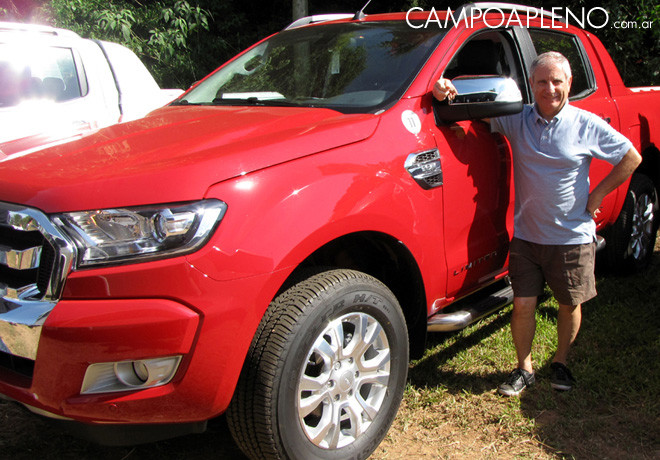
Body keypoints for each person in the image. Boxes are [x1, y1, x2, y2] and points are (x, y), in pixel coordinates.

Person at [433, 51, 642, 396]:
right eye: (542, 81)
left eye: (557, 81)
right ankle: (524, 368)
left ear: (569, 84)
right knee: (523, 304)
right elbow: (474, 110)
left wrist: (598, 196)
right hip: (527, 237)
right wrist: (446, 91)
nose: (550, 89)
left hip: (571, 236)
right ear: (530, 84)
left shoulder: (585, 124)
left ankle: (560, 361)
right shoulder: (517, 119)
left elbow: (631, 157)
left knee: (568, 304)